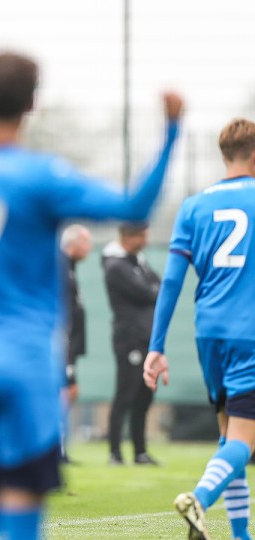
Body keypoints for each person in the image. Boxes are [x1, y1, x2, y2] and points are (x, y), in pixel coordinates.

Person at [0, 51, 182, 539]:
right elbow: (134, 204)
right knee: (22, 517)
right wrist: (173, 130)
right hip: (24, 367)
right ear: (32, 102)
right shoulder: (40, 176)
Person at [144, 118, 255, 540]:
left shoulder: (194, 206)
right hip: (251, 333)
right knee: (244, 438)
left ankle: (241, 534)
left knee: (230, 434)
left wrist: (157, 346)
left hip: (209, 333)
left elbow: (171, 281)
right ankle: (200, 498)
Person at [103, 222, 161, 466]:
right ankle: (115, 452)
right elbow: (149, 292)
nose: (146, 241)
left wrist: (153, 288)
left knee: (144, 396)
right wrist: (153, 289)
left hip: (146, 337)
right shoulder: (116, 265)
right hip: (129, 338)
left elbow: (159, 285)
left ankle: (140, 451)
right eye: (142, 236)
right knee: (125, 394)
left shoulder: (138, 261)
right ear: (129, 236)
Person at [60, 224, 92, 463]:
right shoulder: (59, 267)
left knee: (68, 392)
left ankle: (57, 449)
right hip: (61, 345)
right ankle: (54, 450)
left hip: (69, 346)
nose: (89, 248)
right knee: (65, 392)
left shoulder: (68, 268)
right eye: (86, 242)